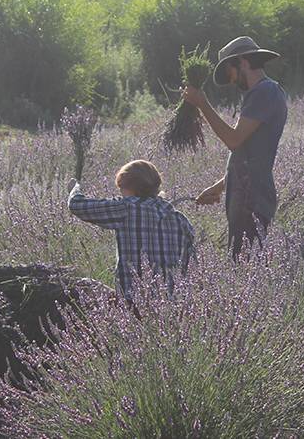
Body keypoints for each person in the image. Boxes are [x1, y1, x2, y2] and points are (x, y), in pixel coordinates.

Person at [183, 36, 288, 257]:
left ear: (241, 62)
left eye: (229, 72)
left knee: (245, 270)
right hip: (245, 196)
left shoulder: (265, 92)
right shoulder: (259, 94)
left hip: (252, 200)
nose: (231, 81)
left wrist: (202, 103)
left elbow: (234, 140)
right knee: (243, 266)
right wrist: (220, 186)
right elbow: (250, 154)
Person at [68, 160, 196, 302]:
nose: (121, 194)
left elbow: (77, 205)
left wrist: (75, 188)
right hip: (174, 304)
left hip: (133, 303)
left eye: (121, 188)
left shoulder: (127, 208)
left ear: (128, 186)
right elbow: (192, 267)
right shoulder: (181, 220)